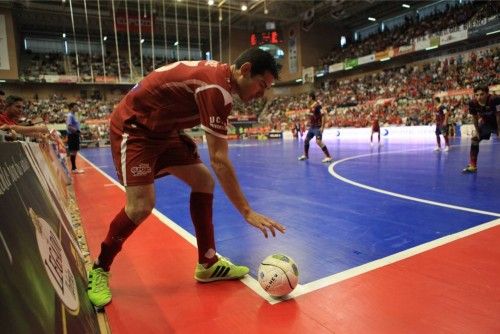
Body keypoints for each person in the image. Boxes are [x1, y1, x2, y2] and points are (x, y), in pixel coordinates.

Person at [87, 48, 286, 308]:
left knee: (203, 181)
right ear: (245, 70)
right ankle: (100, 268)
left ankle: (208, 262)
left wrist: (177, 129)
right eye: (262, 85)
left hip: (163, 130)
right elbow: (219, 159)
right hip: (135, 127)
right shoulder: (216, 88)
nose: (263, 93)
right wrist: (247, 211)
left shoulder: (219, 80)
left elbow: (171, 96)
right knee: (141, 205)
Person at [462, 85, 500, 173]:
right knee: (475, 139)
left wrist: (499, 130)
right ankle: (473, 166)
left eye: (481, 94)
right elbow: (475, 118)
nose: (479, 97)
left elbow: (498, 115)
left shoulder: (495, 100)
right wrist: (477, 131)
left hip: (498, 122)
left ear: (487, 93)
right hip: (486, 123)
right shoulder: (472, 103)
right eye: (476, 95)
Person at [298, 92, 333, 163]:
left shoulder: (318, 105)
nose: (307, 99)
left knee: (318, 142)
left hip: (317, 127)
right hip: (312, 127)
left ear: (311, 97)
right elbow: (314, 115)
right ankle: (306, 155)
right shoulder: (310, 106)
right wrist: (308, 115)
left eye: (308, 97)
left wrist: (322, 127)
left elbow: (323, 115)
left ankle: (328, 157)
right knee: (306, 140)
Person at [66, 102, 84, 174]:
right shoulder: (70, 115)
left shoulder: (74, 115)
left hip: (75, 135)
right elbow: (69, 127)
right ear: (72, 108)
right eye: (76, 107)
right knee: (73, 151)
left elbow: (75, 127)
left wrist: (79, 133)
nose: (77, 108)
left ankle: (74, 168)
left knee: (74, 151)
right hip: (72, 135)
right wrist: (78, 132)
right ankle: (74, 169)